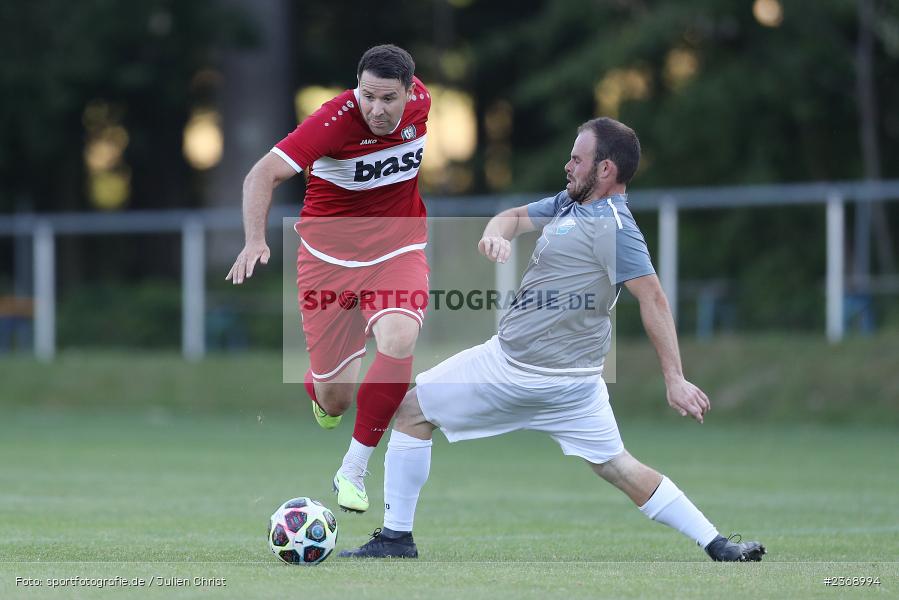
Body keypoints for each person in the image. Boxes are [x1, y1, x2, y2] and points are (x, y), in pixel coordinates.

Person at [339, 117, 766, 561]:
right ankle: (718, 545)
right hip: (570, 383)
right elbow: (513, 217)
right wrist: (494, 235)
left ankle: (395, 540)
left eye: (578, 159)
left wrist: (675, 377)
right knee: (619, 466)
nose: (568, 165)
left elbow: (654, 298)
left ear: (605, 171)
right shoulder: (569, 204)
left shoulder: (615, 227)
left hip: (522, 373)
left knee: (410, 411)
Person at [226, 44, 432, 514]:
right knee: (336, 399)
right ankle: (320, 393)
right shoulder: (333, 120)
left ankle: (353, 470)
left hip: (398, 249)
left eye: (388, 99)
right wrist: (255, 240)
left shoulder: (425, 102)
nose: (376, 109)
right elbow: (261, 175)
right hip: (327, 262)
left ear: (409, 93)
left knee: (400, 338)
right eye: (367, 96)